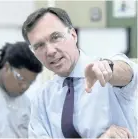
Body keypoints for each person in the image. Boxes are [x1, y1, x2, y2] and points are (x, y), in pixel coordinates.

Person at [21, 7, 137, 138]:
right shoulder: (42, 99)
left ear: (73, 35)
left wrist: (109, 69)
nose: (50, 51)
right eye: (39, 45)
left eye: (55, 37)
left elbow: (129, 74)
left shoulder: (105, 74)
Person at [0, 41, 43, 137]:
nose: (24, 87)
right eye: (21, 78)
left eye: (30, 83)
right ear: (7, 67)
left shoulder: (26, 103)